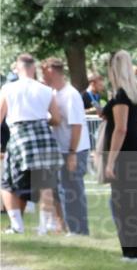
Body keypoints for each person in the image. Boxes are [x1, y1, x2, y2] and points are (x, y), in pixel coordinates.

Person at [0, 54, 63, 235]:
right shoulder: (44, 89)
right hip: (44, 135)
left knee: (7, 184)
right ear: (33, 68)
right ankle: (44, 227)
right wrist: (41, 123)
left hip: (19, 136)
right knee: (45, 183)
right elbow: (57, 119)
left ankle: (17, 226)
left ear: (18, 68)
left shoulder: (8, 88)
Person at [103, 50, 137, 262]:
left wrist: (110, 161)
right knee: (134, 200)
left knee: (124, 202)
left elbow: (120, 129)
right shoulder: (136, 93)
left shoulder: (121, 95)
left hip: (126, 151)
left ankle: (133, 252)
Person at [41, 58, 90, 235]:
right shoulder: (53, 93)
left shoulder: (71, 94)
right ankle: (66, 227)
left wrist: (72, 154)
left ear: (51, 71)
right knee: (60, 191)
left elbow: (76, 126)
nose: (42, 75)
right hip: (60, 149)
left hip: (74, 150)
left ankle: (79, 230)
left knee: (73, 191)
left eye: (43, 71)